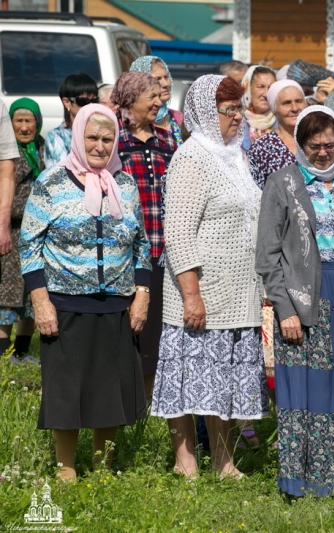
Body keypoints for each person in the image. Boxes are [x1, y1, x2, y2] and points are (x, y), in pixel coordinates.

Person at [19, 103, 151, 481]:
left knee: (108, 389)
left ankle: (103, 467)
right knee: (66, 389)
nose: (100, 145)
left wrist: (141, 295)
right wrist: (40, 302)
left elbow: (140, 243)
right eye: (92, 137)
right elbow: (29, 245)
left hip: (116, 304)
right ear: (78, 137)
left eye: (107, 138)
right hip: (64, 304)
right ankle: (66, 470)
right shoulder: (52, 182)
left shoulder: (123, 184)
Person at [257, 105, 334, 496]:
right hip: (304, 301)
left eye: (331, 145)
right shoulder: (282, 183)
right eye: (314, 146)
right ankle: (309, 481)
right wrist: (286, 310)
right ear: (300, 144)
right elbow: (267, 255)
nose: (324, 153)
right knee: (309, 391)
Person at [150, 75, 269, 479]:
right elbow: (178, 232)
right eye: (229, 110)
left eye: (240, 108)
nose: (239, 117)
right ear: (204, 112)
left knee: (223, 384)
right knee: (186, 380)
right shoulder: (191, 157)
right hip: (201, 292)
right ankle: (185, 462)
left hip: (238, 295)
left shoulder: (236, 155)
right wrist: (191, 296)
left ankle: (223, 461)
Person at [111, 71, 178, 400]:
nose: (158, 101)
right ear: (129, 100)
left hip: (163, 252)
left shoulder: (167, 141)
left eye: (159, 95)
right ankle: (125, 404)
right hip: (125, 254)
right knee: (127, 332)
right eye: (150, 96)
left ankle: (149, 409)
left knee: (155, 337)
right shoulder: (113, 141)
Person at [0, 100, 28, 357]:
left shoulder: (41, 148)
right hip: (13, 227)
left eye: (29, 120)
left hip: (29, 232)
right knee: (6, 295)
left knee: (29, 296)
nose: (23, 126)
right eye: (18, 121)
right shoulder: (11, 153)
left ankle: (20, 351)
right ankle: (2, 353)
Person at [248, 80, 307, 189]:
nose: (294, 108)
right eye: (286, 103)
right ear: (274, 108)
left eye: (299, 101)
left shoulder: (318, 140)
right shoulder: (262, 148)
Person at [44, 72, 98, 168]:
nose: (90, 105)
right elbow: (61, 172)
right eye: (83, 101)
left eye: (94, 101)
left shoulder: (102, 131)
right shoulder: (56, 136)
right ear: (67, 102)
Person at [130, 56, 185, 146]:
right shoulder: (134, 121)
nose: (166, 84)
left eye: (166, 77)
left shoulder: (177, 118)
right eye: (158, 79)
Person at [241, 65, 277, 149]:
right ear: (247, 88)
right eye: (261, 87)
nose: (266, 94)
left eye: (271, 87)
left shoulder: (283, 123)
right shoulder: (235, 122)